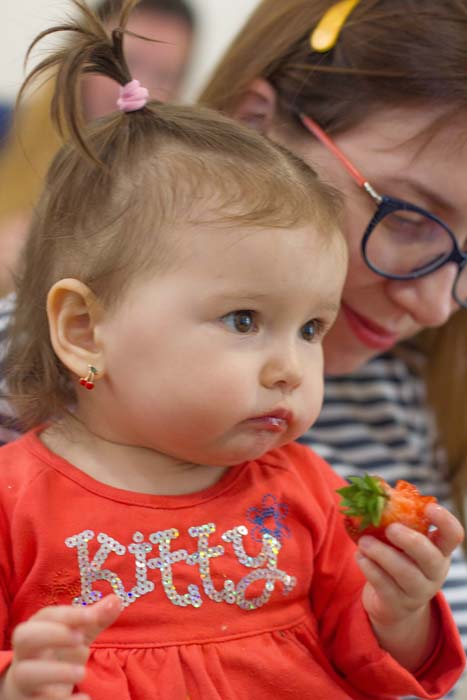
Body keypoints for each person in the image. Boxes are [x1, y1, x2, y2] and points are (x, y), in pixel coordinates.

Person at [0, 2, 465, 698]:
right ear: (84, 331)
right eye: (244, 320)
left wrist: (399, 614)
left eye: (311, 328)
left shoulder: (310, 487)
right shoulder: (17, 498)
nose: (291, 370)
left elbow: (371, 663)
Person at [199, 1, 467, 696]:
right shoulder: (33, 377)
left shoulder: (402, 386)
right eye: (407, 218)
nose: (432, 306)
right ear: (254, 125)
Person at [0, 0, 196, 298]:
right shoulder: (7, 127)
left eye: (165, 75)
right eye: (123, 61)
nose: (138, 87)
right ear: (80, 55)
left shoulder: (171, 182)